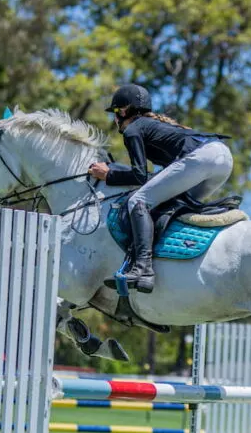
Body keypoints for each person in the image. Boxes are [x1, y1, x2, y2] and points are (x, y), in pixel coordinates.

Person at [88, 83, 233, 293]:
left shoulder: (133, 129)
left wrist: (108, 174)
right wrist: (115, 170)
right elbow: (154, 178)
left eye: (116, 113)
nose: (115, 119)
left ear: (124, 110)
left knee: (138, 201)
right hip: (222, 158)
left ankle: (143, 268)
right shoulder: (153, 126)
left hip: (202, 158)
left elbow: (139, 175)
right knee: (172, 204)